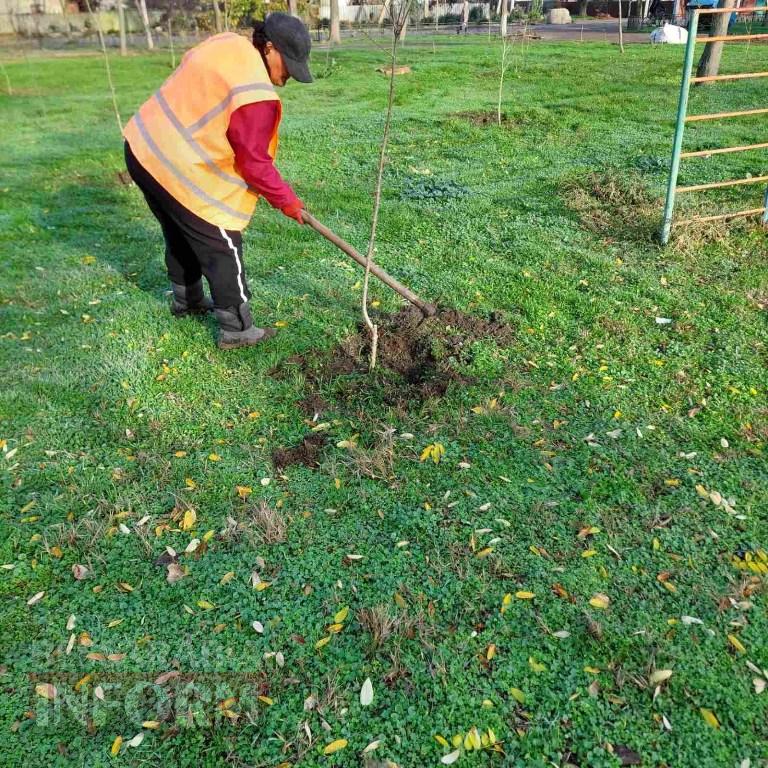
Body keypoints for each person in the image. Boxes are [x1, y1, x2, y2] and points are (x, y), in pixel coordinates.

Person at [123, 14, 312, 350]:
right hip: (175, 162)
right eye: (289, 64)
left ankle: (188, 301)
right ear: (269, 47)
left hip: (142, 147)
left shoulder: (226, 43)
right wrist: (287, 201)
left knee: (181, 230)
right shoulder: (254, 94)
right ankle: (237, 330)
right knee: (221, 240)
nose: (290, 75)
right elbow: (254, 164)